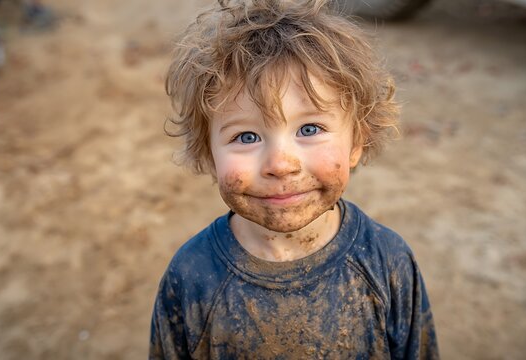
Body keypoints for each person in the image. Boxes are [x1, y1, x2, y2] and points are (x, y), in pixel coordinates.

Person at [150, 0, 439, 358]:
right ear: (209, 156)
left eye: (310, 128)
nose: (281, 164)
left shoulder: (387, 262)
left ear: (357, 143)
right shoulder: (191, 276)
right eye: (246, 137)